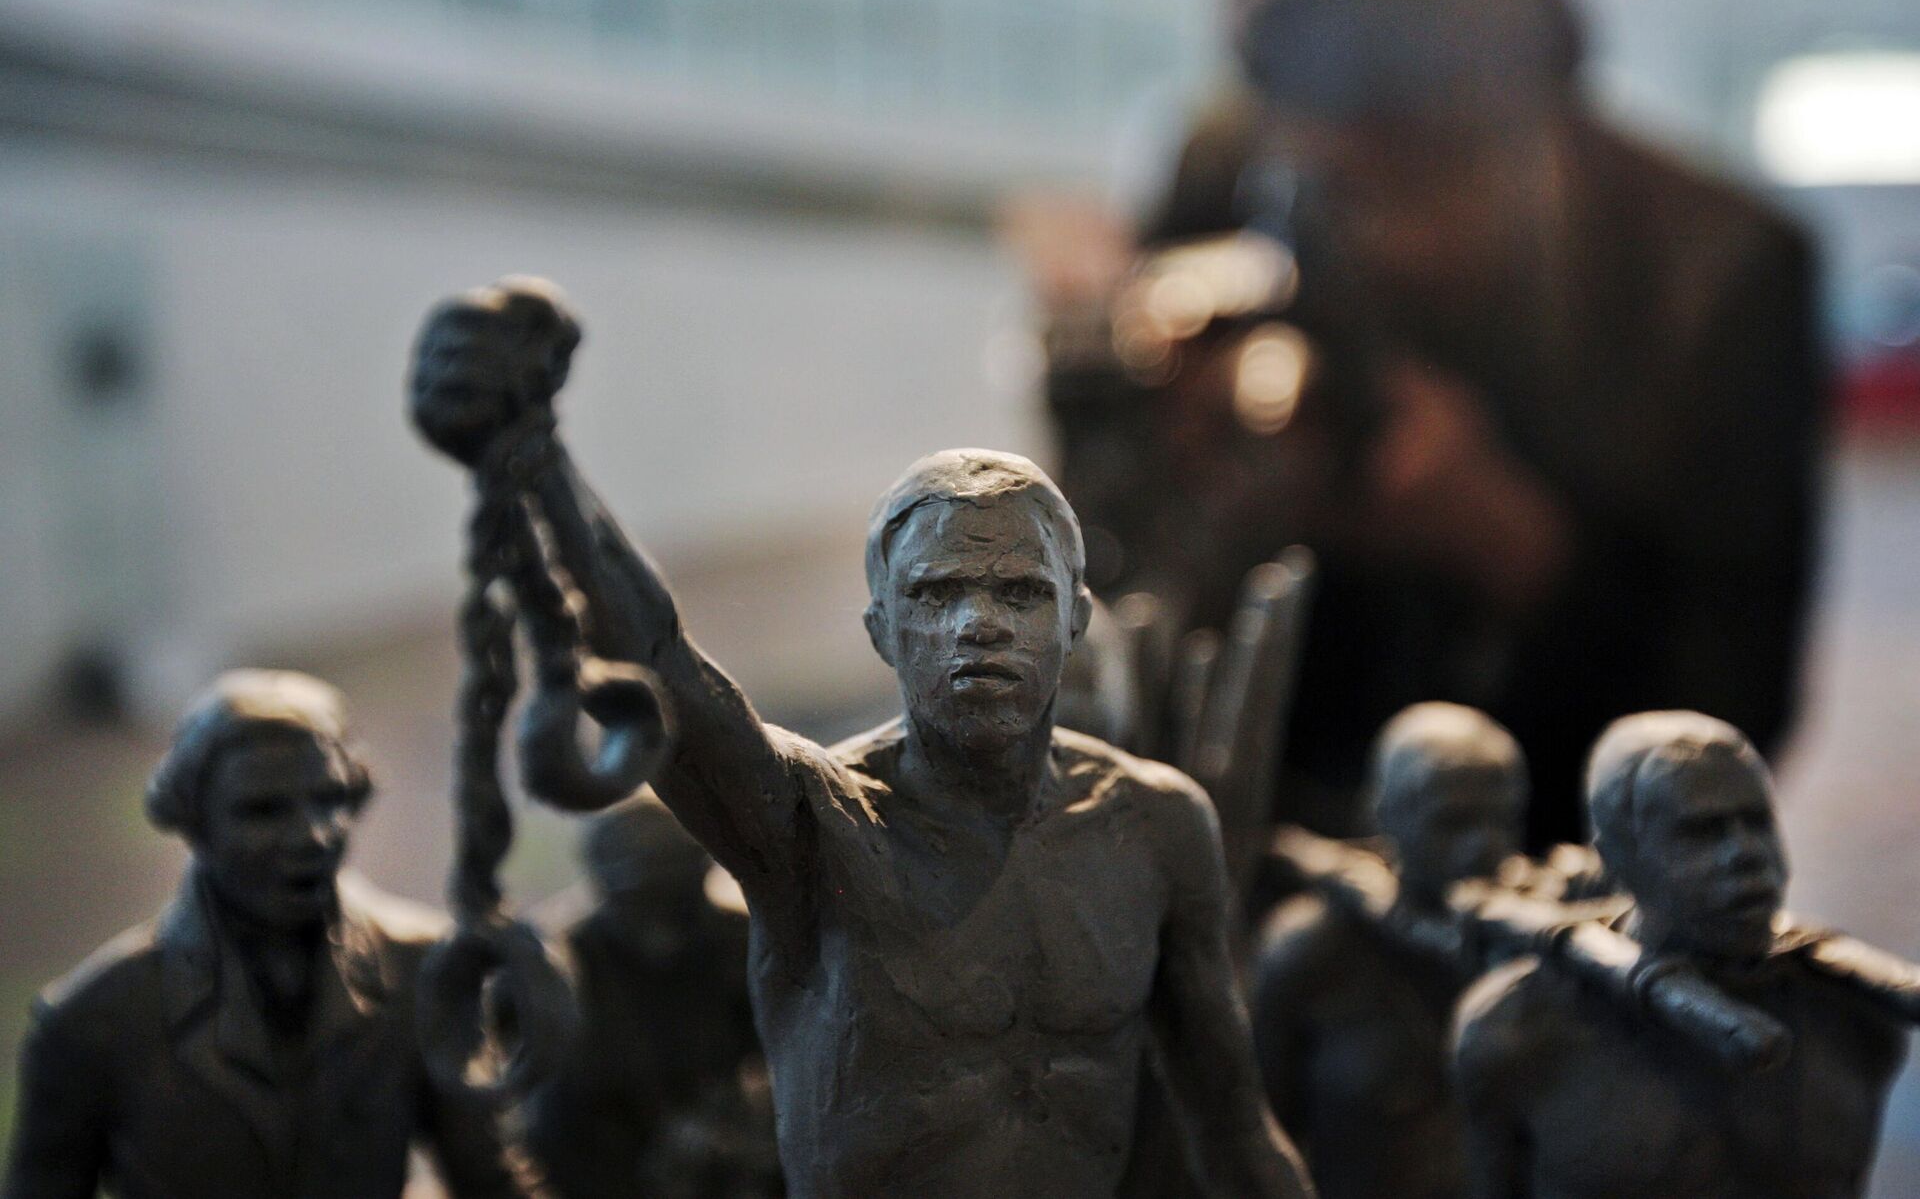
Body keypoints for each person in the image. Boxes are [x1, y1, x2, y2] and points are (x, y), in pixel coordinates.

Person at [408, 279, 1316, 1199]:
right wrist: (536, 458)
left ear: (1074, 621)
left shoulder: (1157, 829)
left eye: (1018, 593)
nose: (977, 625)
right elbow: (656, 658)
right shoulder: (811, 823)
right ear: (880, 629)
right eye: (935, 595)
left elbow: (1234, 1131)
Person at [1074, 0, 1825, 844]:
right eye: (1343, 188)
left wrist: (1514, 545)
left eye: (1434, 177)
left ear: (1547, 131)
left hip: (1557, 872)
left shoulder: (1719, 272)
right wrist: (1178, 466)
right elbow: (1092, 591)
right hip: (1256, 835)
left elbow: (1732, 715)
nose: (1392, 234)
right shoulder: (1232, 176)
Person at [2, 670, 530, 1199]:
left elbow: (491, 1182)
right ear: (194, 820)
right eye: (262, 809)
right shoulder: (94, 1020)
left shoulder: (426, 969)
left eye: (328, 799)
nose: (311, 835)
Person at [1452, 712, 1907, 1198]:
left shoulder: (1855, 1017)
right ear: (1618, 859)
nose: (1745, 854)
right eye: (1701, 832)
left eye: (1758, 823)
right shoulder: (1517, 1034)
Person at [1252, 703, 1526, 1199]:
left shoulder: (1533, 952)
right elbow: (1254, 1138)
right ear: (1381, 812)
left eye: (1501, 821)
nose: (1483, 848)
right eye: (1452, 822)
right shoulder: (1311, 951)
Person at [523, 791, 781, 1199]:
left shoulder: (743, 944)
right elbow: (550, 1117)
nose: (661, 924)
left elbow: (788, 1058)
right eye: (645, 899)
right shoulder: (568, 964)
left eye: (676, 897)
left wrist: (738, 1120)